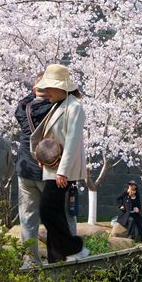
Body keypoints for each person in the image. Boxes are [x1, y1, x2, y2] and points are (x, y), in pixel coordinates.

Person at [31, 64, 88, 263]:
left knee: (47, 210)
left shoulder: (74, 107)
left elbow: (72, 141)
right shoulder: (58, 105)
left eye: (49, 88)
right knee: (54, 212)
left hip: (63, 170)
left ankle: (75, 247)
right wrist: (42, 158)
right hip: (53, 167)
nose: (46, 92)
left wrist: (62, 171)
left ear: (60, 88)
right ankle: (57, 258)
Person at [14, 82, 54, 260]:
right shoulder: (55, 109)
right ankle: (58, 259)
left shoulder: (23, 109)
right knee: (55, 217)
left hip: (25, 170)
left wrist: (34, 91)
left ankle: (30, 262)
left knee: (28, 219)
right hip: (47, 171)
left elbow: (26, 99)